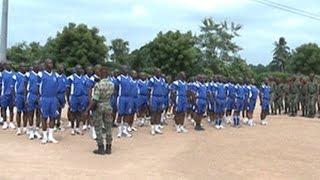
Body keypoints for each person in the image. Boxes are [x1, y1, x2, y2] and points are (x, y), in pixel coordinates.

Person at [86, 66, 114, 155]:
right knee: (108, 127)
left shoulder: (98, 85)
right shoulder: (111, 84)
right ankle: (109, 147)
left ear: (101, 74)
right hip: (108, 105)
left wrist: (87, 110)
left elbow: (95, 99)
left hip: (99, 107)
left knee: (98, 128)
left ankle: (101, 148)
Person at [39, 59, 59, 144]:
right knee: (44, 117)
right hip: (44, 98)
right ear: (45, 64)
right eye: (49, 63)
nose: (51, 64)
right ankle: (44, 136)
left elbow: (57, 87)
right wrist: (38, 98)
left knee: (53, 117)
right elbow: (37, 88)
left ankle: (51, 136)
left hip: (53, 98)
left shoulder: (55, 74)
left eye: (52, 62)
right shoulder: (41, 74)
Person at [114, 65, 133, 138]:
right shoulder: (119, 78)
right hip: (122, 97)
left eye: (127, 69)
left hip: (129, 98)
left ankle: (124, 130)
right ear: (121, 70)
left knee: (127, 114)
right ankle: (119, 131)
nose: (126, 70)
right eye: (125, 69)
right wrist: (116, 98)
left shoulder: (130, 78)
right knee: (120, 114)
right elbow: (115, 89)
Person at [67, 64, 86, 135]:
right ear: (75, 69)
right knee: (73, 113)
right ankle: (72, 128)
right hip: (74, 97)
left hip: (82, 97)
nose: (79, 70)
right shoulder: (71, 78)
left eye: (80, 68)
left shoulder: (84, 78)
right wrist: (68, 98)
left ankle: (78, 128)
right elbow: (68, 89)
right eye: (78, 69)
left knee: (79, 113)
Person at [26, 63, 42, 139]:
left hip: (39, 96)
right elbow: (25, 86)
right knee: (31, 113)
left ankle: (37, 131)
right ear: (34, 66)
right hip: (31, 95)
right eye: (37, 65)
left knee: (38, 114)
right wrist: (26, 97)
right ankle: (31, 131)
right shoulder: (29, 74)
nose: (38, 66)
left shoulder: (41, 75)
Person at [148, 69, 165, 135]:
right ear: (155, 73)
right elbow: (149, 90)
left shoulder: (162, 80)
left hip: (161, 97)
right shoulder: (152, 80)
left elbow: (163, 89)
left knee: (159, 112)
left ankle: (157, 127)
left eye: (160, 72)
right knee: (153, 112)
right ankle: (152, 128)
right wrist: (148, 100)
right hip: (154, 97)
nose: (159, 73)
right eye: (158, 72)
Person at [1, 62, 16, 130]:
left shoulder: (14, 74)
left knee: (11, 109)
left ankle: (11, 122)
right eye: (8, 65)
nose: (9, 66)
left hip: (12, 94)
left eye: (10, 64)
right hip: (4, 94)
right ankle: (5, 122)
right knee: (4, 108)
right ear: (5, 66)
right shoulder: (2, 74)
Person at [14, 63, 28, 135]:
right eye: (23, 66)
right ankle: (19, 129)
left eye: (25, 66)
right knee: (19, 112)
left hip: (25, 95)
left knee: (26, 112)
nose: (25, 68)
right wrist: (14, 97)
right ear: (20, 67)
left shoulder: (27, 75)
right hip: (19, 95)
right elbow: (12, 87)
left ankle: (25, 127)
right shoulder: (16, 75)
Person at [56, 64, 67, 131]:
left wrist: (64, 97)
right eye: (61, 68)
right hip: (55, 95)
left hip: (62, 95)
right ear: (58, 68)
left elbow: (65, 87)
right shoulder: (55, 76)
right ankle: (53, 125)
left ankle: (58, 124)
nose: (62, 69)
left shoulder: (64, 77)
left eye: (63, 68)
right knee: (55, 110)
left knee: (60, 110)